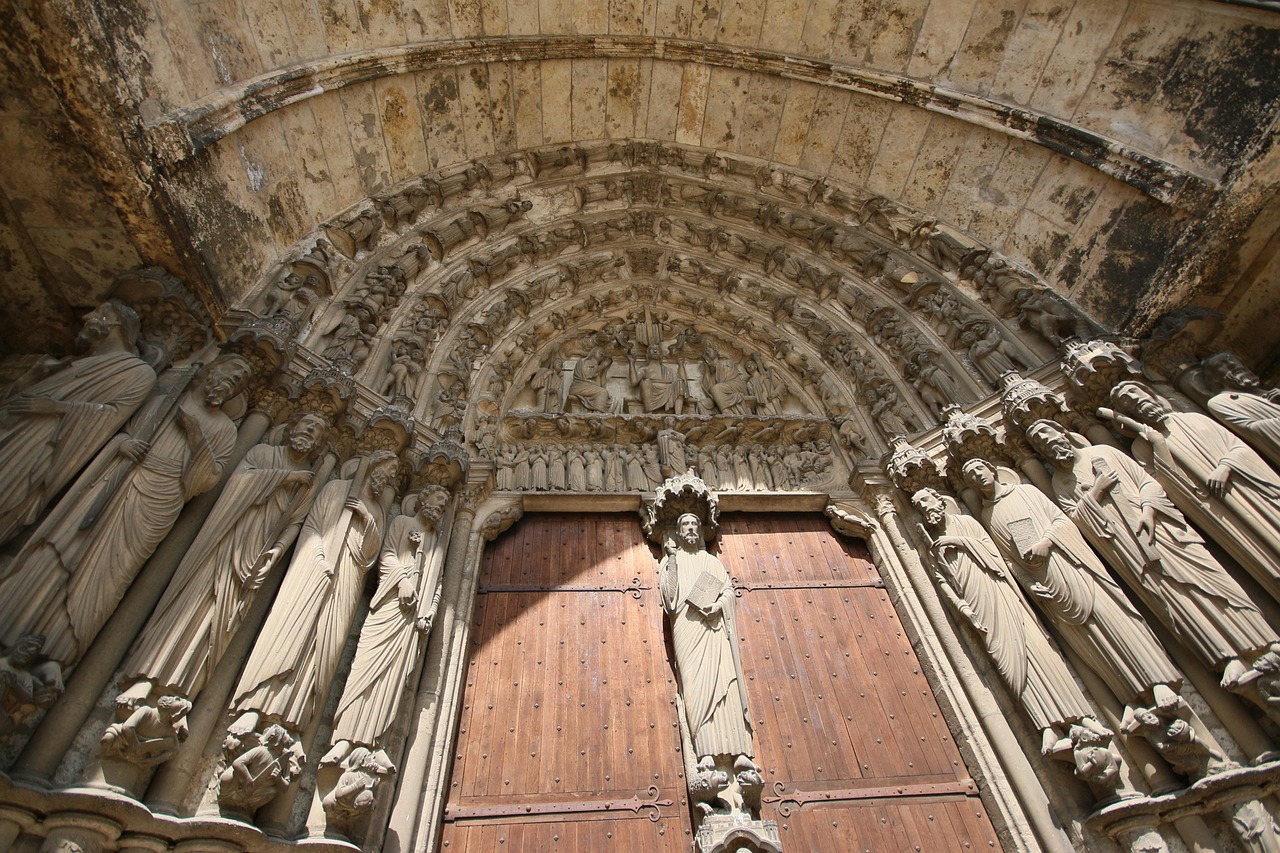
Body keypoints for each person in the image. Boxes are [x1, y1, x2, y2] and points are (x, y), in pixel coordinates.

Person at [0, 354, 250, 666]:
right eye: (233, 370)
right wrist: (123, 444)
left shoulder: (224, 429)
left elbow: (208, 480)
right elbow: (114, 426)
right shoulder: (169, 396)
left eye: (241, 380)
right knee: (64, 547)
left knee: (110, 574)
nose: (235, 379)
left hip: (160, 500)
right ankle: (13, 620)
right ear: (212, 368)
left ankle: (58, 651)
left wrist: (196, 435)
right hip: (118, 479)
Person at [1025, 419, 1277, 685]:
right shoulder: (1061, 484)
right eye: (1039, 443)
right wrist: (1096, 493)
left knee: (1210, 578)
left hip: (1161, 531)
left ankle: (1264, 639)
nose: (1046, 443)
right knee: (1173, 601)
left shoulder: (1104, 452)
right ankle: (1228, 656)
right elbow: (1077, 522)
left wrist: (1148, 511)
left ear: (1062, 432)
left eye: (1046, 434)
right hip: (1126, 549)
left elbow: (1147, 482)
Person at [121, 412, 329, 702]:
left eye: (318, 429)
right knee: (195, 598)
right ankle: (149, 672)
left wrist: (278, 551)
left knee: (224, 616)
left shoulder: (309, 482)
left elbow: (297, 521)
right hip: (226, 536)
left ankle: (182, 689)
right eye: (307, 423)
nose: (310, 429)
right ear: (291, 427)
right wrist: (286, 476)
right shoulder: (262, 452)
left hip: (257, 552)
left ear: (321, 444)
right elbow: (237, 485)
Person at [231, 451, 399, 732]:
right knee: (291, 629)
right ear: (370, 465)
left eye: (394, 475)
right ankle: (261, 702)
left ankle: (297, 720)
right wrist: (319, 558)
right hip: (314, 568)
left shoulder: (379, 511)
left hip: (347, 577)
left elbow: (370, 556)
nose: (389, 477)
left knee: (327, 646)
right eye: (388, 470)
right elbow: (313, 527)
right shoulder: (335, 490)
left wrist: (366, 518)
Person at [0, 300, 156, 546]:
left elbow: (111, 416)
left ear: (116, 323)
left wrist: (56, 408)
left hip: (42, 443)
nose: (87, 317)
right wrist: (36, 374)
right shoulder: (69, 361)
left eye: (99, 312)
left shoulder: (137, 372)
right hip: (13, 426)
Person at [659, 512, 753, 768]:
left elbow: (727, 591)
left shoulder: (712, 562)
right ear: (678, 532)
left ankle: (739, 751)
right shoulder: (670, 561)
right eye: (685, 525)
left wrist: (719, 606)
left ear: (700, 531)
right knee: (695, 687)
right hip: (687, 630)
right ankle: (704, 752)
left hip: (713, 629)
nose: (690, 529)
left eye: (694, 525)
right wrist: (672, 558)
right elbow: (669, 598)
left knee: (726, 684)